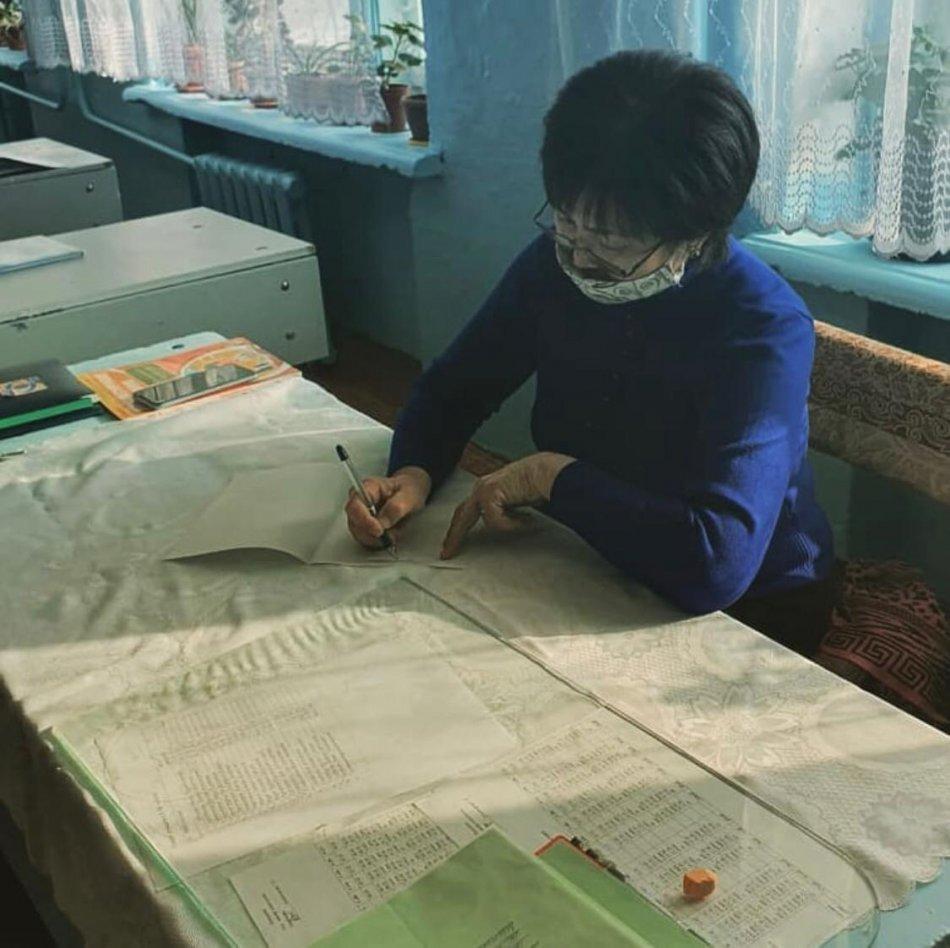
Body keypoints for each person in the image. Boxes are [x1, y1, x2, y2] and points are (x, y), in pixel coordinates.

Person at [345, 49, 838, 657]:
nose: (578, 259)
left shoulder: (761, 327)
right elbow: (456, 387)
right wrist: (413, 472)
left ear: (695, 233)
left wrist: (550, 477)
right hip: (593, 554)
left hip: (751, 611)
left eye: (609, 242)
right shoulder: (553, 268)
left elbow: (715, 563)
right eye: (567, 223)